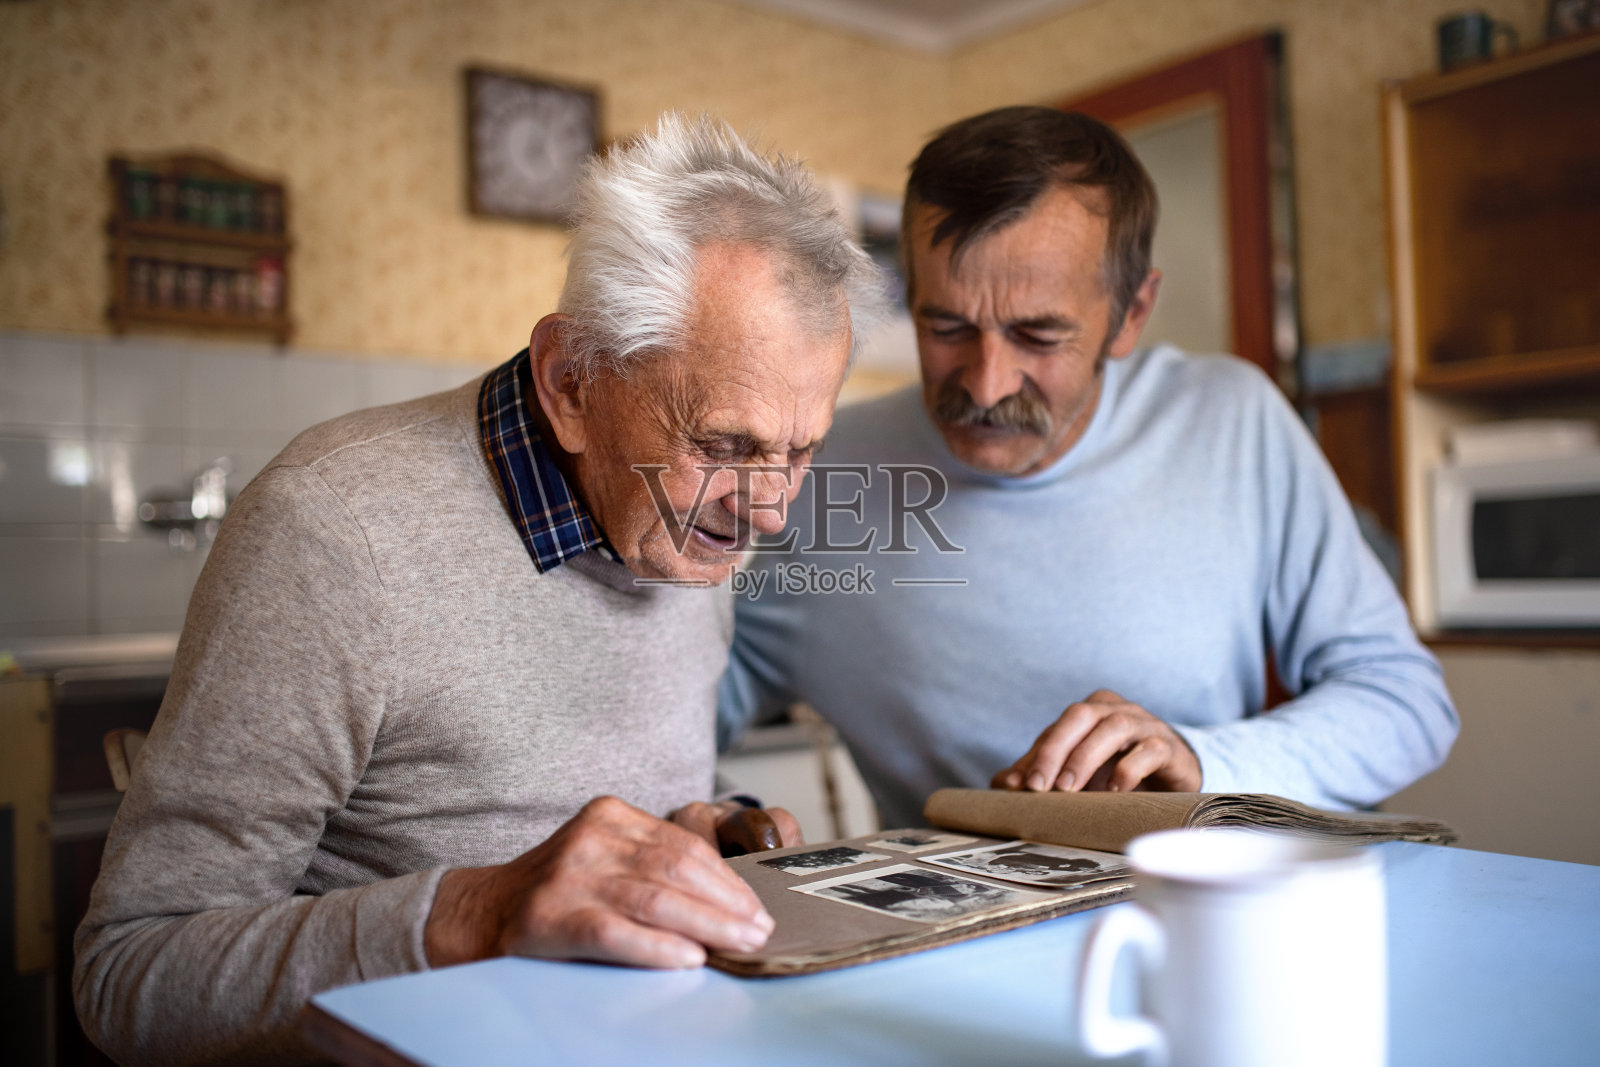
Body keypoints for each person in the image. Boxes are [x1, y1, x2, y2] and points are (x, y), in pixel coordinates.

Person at [75, 113, 884, 1065]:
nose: (770, 511)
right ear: (572, 383)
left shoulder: (693, 520)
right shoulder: (333, 532)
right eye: (723, 444)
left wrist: (697, 828)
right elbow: (128, 975)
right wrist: (476, 909)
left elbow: (585, 789)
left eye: (801, 450)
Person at [720, 107, 1458, 830]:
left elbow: (1405, 701)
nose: (985, 384)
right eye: (945, 328)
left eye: (1038, 335)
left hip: (1198, 911)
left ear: (1132, 312)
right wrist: (710, 812)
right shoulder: (826, 469)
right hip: (946, 932)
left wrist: (1201, 760)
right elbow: (684, 701)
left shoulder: (1231, 422)